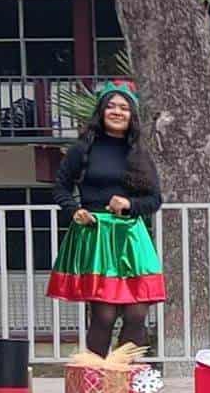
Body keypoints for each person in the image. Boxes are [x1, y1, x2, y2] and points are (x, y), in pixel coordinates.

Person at [48, 80, 165, 355]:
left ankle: (126, 380)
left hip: (131, 239)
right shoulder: (83, 148)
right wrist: (74, 210)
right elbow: (60, 187)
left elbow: (154, 200)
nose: (117, 111)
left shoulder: (138, 153)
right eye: (111, 106)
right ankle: (95, 382)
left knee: (137, 314)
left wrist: (129, 204)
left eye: (124, 107)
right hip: (96, 236)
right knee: (104, 316)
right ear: (101, 111)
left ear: (131, 115)